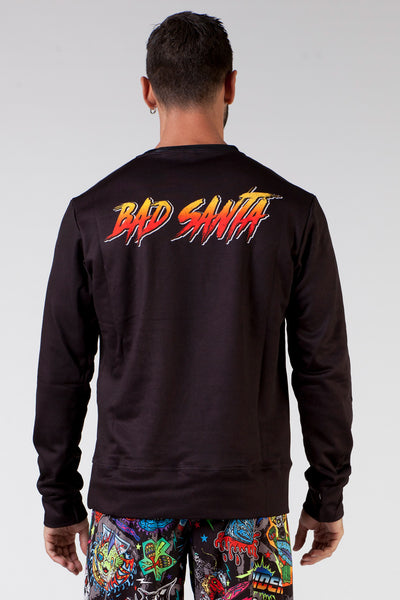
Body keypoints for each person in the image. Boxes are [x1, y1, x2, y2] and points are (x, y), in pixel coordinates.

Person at [33, 10, 353, 600]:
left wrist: (59, 499)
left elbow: (62, 369)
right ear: (230, 85)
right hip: (247, 500)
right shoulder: (292, 212)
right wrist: (327, 493)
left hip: (130, 503)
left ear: (147, 91)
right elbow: (321, 366)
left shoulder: (93, 214)